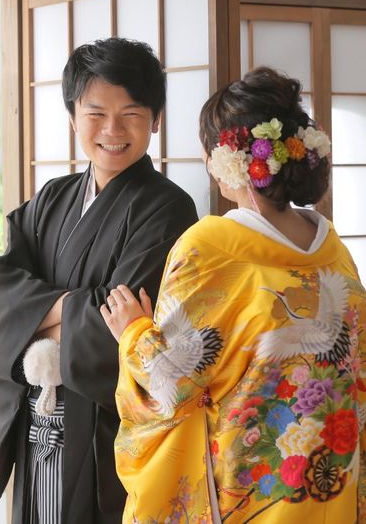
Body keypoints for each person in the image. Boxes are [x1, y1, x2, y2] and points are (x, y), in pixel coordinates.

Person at [101, 67, 366, 523]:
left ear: (229, 160)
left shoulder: (211, 248)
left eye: (208, 151)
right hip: (332, 472)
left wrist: (133, 331)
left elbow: (168, 383)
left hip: (253, 485)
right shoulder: (333, 249)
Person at [0, 37, 198, 524]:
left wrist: (33, 314)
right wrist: (77, 306)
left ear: (156, 119)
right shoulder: (53, 197)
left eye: (131, 114)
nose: (112, 130)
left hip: (107, 433)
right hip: (37, 419)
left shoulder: (169, 208)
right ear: (72, 117)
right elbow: (0, 291)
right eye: (95, 113)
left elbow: (125, 323)